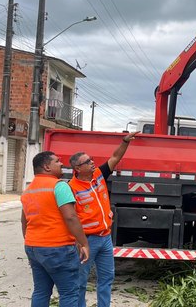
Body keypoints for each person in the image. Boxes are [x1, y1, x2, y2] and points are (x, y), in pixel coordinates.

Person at [68, 131, 137, 307]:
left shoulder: (99, 175)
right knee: (80, 281)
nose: (92, 163)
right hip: (87, 240)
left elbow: (115, 157)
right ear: (77, 168)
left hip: (105, 237)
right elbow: (70, 217)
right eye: (87, 162)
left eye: (91, 160)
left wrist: (125, 142)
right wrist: (78, 241)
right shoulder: (71, 187)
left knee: (107, 278)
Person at [21, 151, 90, 307]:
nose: (61, 164)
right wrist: (83, 243)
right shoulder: (59, 186)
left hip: (34, 247)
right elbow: (71, 217)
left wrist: (31, 243)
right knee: (69, 292)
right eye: (57, 161)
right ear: (47, 166)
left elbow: (24, 221)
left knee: (41, 291)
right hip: (57, 248)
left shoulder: (28, 190)